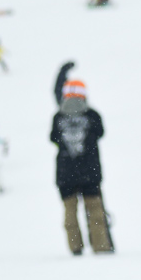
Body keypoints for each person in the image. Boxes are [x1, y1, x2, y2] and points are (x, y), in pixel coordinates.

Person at [49, 67, 114, 255]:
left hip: (65, 173)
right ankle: (101, 245)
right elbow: (100, 133)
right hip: (90, 171)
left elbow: (53, 138)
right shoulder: (92, 115)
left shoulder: (58, 117)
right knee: (94, 210)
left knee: (70, 213)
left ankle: (75, 247)